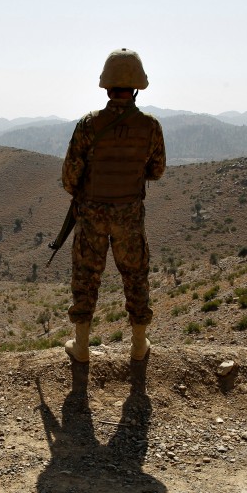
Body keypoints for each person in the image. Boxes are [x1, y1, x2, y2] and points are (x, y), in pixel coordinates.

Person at [61, 48, 166, 364]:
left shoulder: (88, 125)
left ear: (107, 86)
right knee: (135, 276)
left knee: (86, 276)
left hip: (92, 215)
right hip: (129, 215)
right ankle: (138, 344)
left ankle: (81, 347)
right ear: (136, 87)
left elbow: (69, 178)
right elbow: (157, 171)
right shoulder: (150, 127)